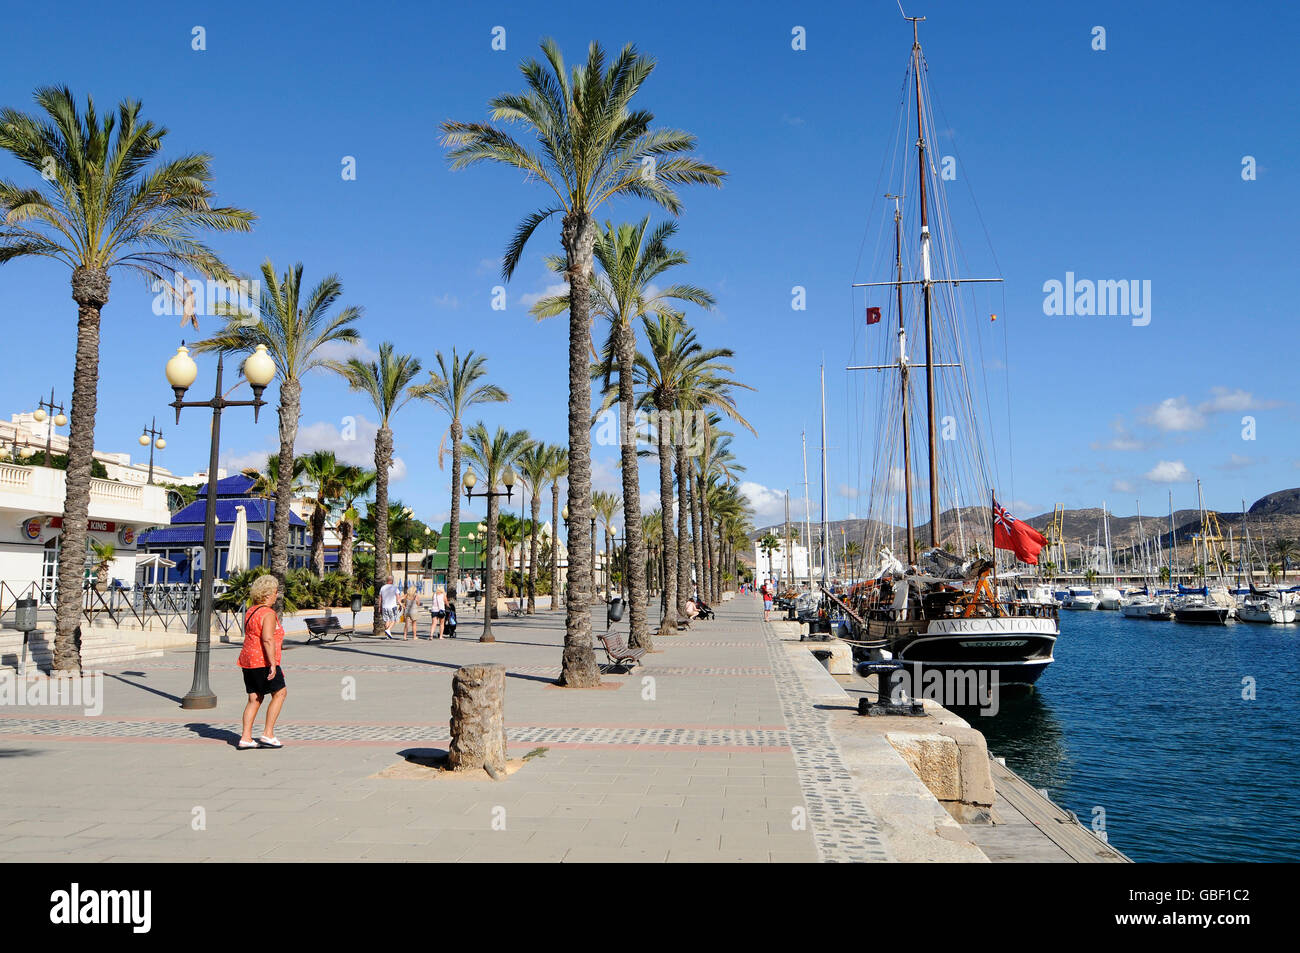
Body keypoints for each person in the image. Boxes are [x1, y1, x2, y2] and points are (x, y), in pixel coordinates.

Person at [237, 574, 288, 750]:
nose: (276, 596)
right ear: (267, 594)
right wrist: (273, 664)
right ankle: (268, 733)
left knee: (254, 698)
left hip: (247, 660)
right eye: (275, 592)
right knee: (280, 693)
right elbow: (267, 639)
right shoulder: (268, 613)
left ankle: (246, 737)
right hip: (262, 660)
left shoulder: (252, 611)